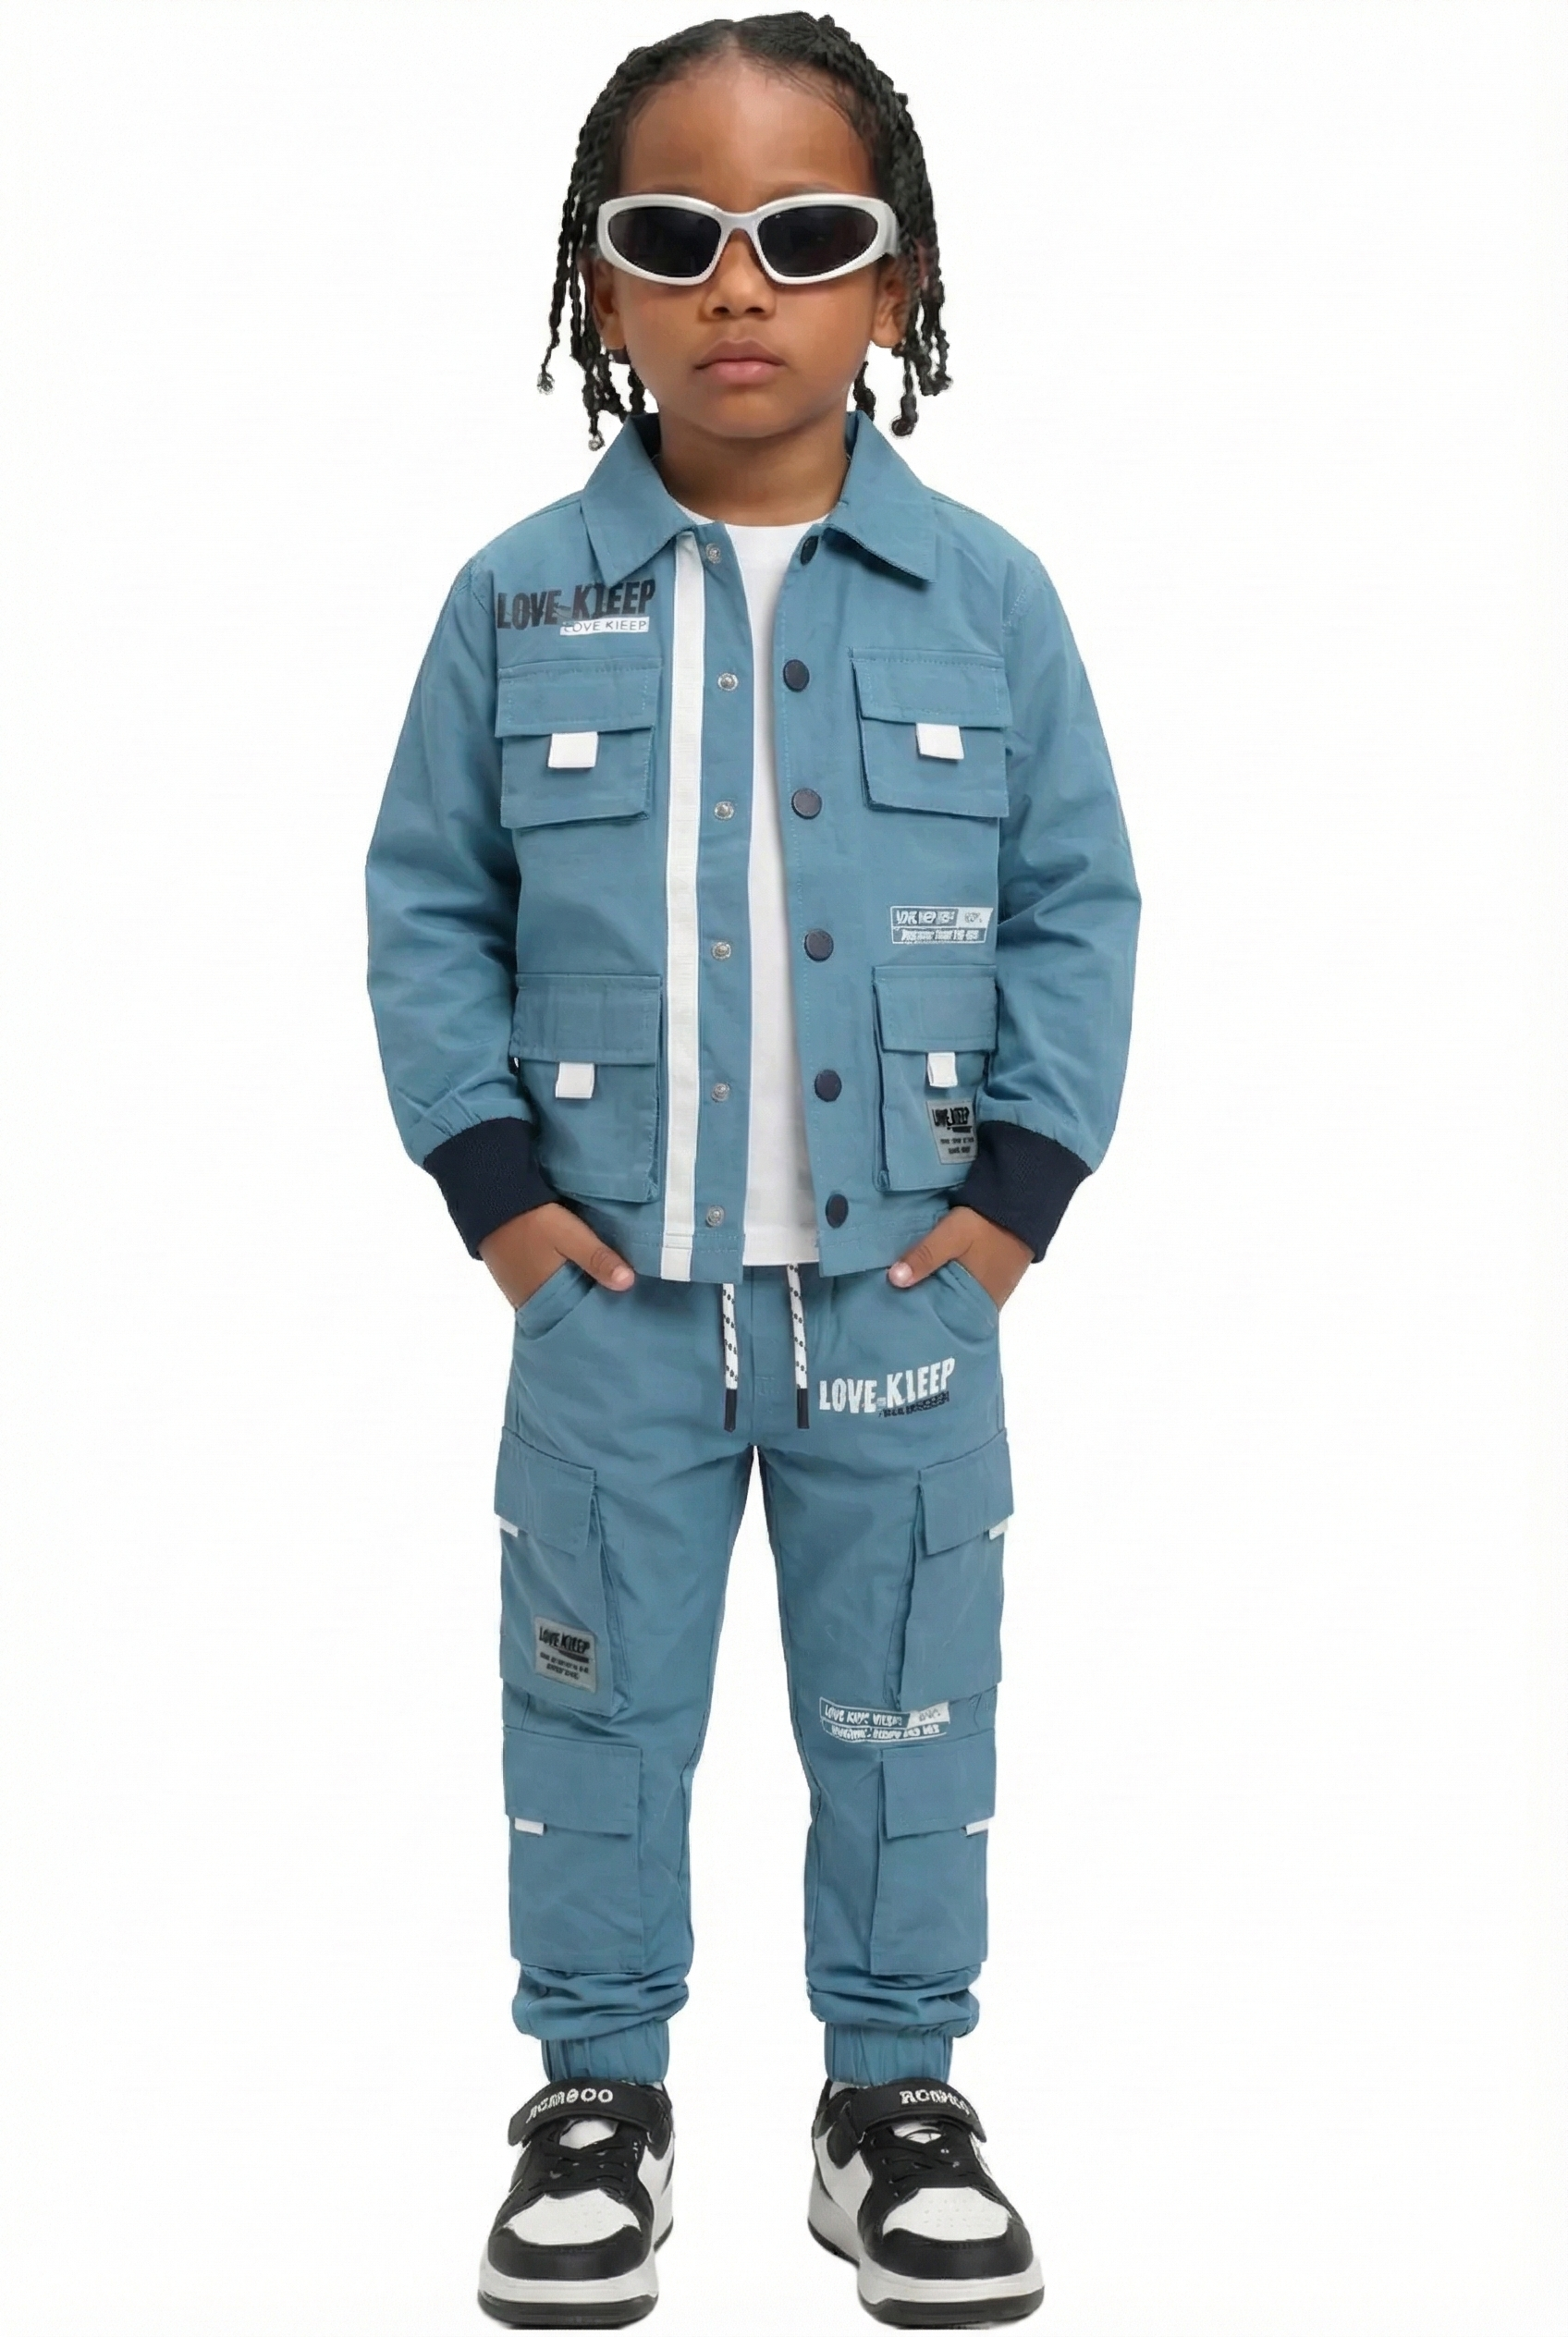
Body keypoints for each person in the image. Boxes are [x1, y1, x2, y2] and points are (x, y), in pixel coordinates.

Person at [365, 12, 1139, 2326]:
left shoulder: (985, 599)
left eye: (803, 237)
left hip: (906, 1297)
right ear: (594, 282)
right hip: (609, 1307)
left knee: (909, 1703)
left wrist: (1009, 1209)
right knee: (591, 1705)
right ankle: (594, 2096)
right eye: (671, 234)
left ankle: (891, 2098)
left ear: (893, 283)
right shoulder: (516, 599)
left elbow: (1076, 903)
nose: (736, 286)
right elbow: (428, 900)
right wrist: (499, 1198)